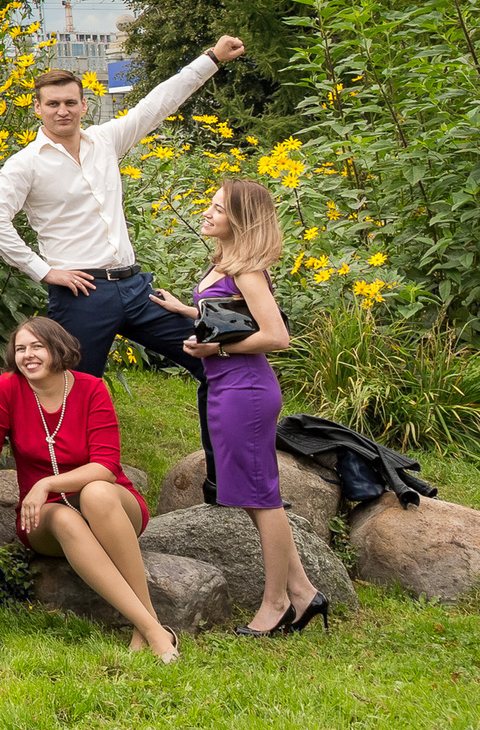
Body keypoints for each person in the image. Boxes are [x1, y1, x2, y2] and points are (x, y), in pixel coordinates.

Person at [0, 37, 246, 384]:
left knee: (208, 352)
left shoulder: (104, 141)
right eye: (53, 103)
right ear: (37, 109)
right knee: (73, 388)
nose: (63, 111)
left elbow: (157, 103)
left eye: (70, 102)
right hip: (81, 293)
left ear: (84, 105)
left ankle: (222, 441)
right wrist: (43, 271)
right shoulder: (25, 165)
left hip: (135, 286)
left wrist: (212, 58)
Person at [149, 180, 329, 637]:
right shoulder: (226, 263)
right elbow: (230, 317)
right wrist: (186, 311)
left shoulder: (247, 270)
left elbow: (276, 337)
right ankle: (305, 592)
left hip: (245, 389)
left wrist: (218, 353)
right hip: (229, 388)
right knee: (252, 496)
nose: (206, 214)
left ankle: (277, 603)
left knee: (261, 498)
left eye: (217, 209)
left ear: (241, 222)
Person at [0, 318, 174, 661]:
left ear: (57, 349)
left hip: (112, 506)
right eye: (20, 349)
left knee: (96, 491)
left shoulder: (91, 389)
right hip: (45, 518)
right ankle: (154, 630)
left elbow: (106, 466)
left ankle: (145, 625)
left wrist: (46, 483)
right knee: (64, 518)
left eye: (36, 347)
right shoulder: (7, 388)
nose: (27, 355)